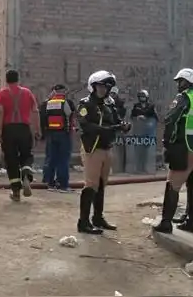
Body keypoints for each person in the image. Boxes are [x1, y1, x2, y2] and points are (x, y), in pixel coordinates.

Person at [153, 68, 193, 234]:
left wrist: (167, 142)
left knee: (172, 185)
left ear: (189, 82)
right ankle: (192, 222)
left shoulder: (184, 98)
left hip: (186, 148)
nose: (179, 85)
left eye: (181, 81)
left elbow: (171, 120)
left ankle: (166, 223)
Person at [76, 70, 131, 234]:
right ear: (93, 86)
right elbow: (86, 126)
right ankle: (83, 222)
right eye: (101, 86)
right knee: (91, 185)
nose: (104, 90)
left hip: (107, 147)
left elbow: (116, 120)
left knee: (101, 184)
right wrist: (110, 129)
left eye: (107, 87)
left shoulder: (110, 103)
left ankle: (98, 218)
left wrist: (123, 125)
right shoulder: (85, 104)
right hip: (92, 148)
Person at [0, 69, 40, 202]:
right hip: (24, 129)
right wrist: (37, 130)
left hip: (9, 130)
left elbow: (0, 112)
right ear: (18, 79)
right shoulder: (27, 92)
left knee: (11, 160)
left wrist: (0, 132)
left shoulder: (2, 93)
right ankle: (26, 175)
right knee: (27, 155)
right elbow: (35, 111)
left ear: (6, 80)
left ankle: (16, 192)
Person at [40, 84, 75, 190]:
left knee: (51, 159)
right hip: (64, 134)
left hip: (51, 135)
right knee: (63, 160)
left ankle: (49, 182)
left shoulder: (47, 103)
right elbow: (72, 117)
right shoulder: (67, 103)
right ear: (64, 91)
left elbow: (43, 120)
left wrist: (43, 135)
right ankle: (62, 184)